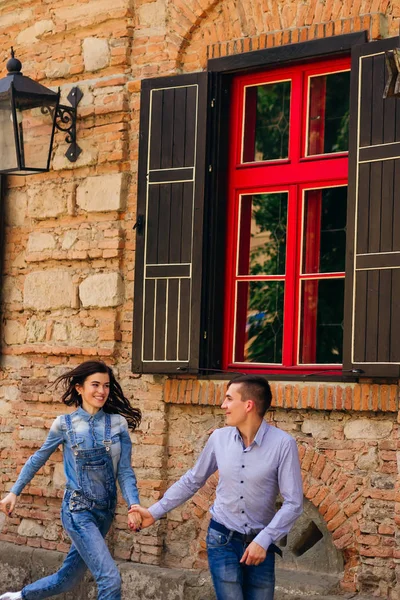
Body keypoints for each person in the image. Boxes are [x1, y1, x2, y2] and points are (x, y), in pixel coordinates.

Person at [129, 374, 303, 600]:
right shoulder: (219, 438)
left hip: (261, 544)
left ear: (248, 405)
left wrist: (264, 539)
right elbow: (193, 480)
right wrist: (154, 512)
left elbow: (294, 503)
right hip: (222, 540)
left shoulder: (283, 444)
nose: (224, 405)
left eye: (230, 399)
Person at [0, 360, 142, 600]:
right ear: (79, 388)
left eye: (106, 386)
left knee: (68, 578)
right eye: (95, 385)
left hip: (105, 512)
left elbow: (125, 471)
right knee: (110, 579)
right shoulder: (64, 425)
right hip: (77, 511)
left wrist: (133, 504)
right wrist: (14, 491)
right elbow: (38, 458)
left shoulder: (117, 424)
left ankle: (20, 597)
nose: (102, 391)